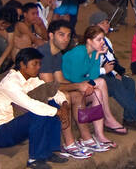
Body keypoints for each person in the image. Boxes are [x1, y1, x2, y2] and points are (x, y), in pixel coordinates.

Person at [37, 19, 117, 153]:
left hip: (48, 90)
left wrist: (81, 86)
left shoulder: (56, 54)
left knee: (81, 93)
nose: (66, 39)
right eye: (61, 35)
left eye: (68, 35)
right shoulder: (44, 54)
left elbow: (61, 80)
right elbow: (50, 86)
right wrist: (78, 85)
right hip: (30, 96)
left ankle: (86, 137)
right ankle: (69, 142)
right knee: (67, 96)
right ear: (51, 35)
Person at [0, 48, 69, 169]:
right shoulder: (10, 83)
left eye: (39, 64)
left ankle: (50, 151)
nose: (38, 67)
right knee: (39, 112)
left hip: (16, 126)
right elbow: (31, 105)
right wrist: (58, 112)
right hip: (0, 133)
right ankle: (34, 159)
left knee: (52, 104)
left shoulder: (32, 79)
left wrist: (64, 105)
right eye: (34, 64)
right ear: (22, 65)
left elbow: (53, 92)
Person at [63, 20, 136, 130]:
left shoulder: (94, 51)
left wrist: (98, 56)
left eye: (102, 39)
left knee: (129, 81)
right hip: (71, 84)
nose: (102, 42)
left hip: (87, 79)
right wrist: (101, 71)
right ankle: (134, 111)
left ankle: (130, 118)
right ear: (89, 41)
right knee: (107, 82)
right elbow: (76, 78)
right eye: (99, 39)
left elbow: (93, 75)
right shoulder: (79, 53)